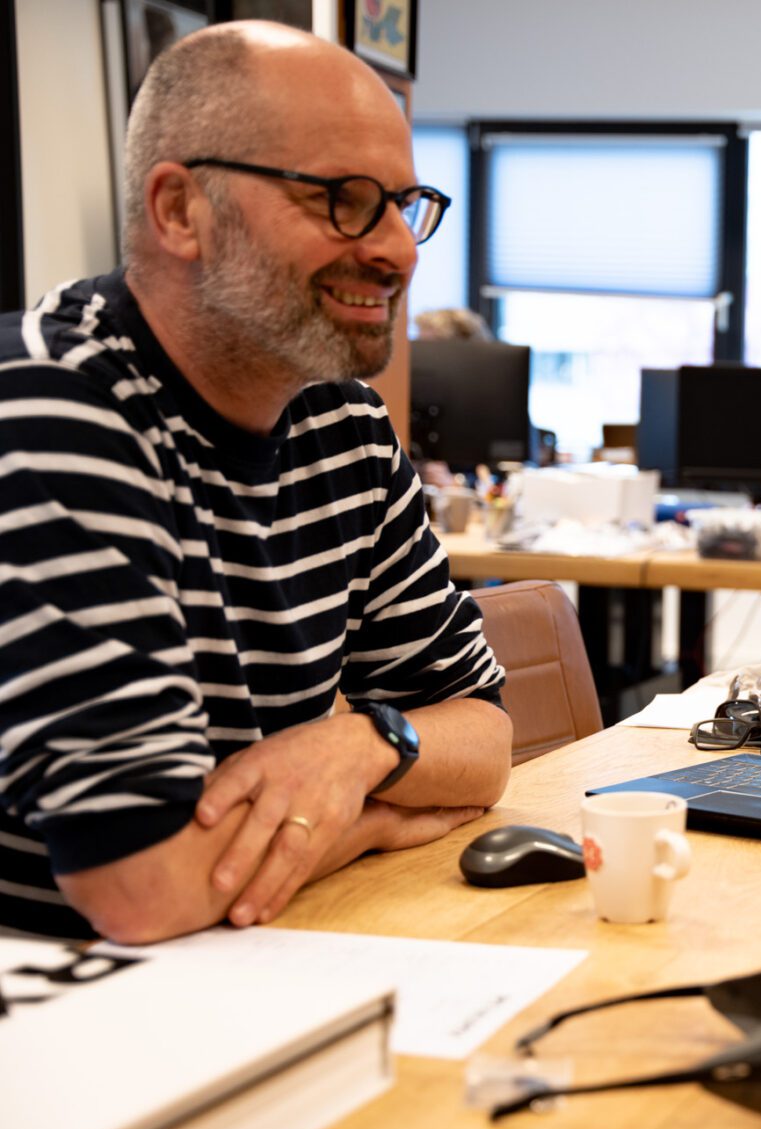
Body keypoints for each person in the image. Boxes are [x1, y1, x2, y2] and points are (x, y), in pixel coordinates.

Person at [0, 22, 514, 944]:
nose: (398, 248)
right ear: (179, 211)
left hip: (235, 966)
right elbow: (143, 887)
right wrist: (380, 817)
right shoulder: (50, 411)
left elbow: (483, 740)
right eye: (344, 201)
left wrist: (363, 743)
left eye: (404, 203)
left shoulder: (343, 424)